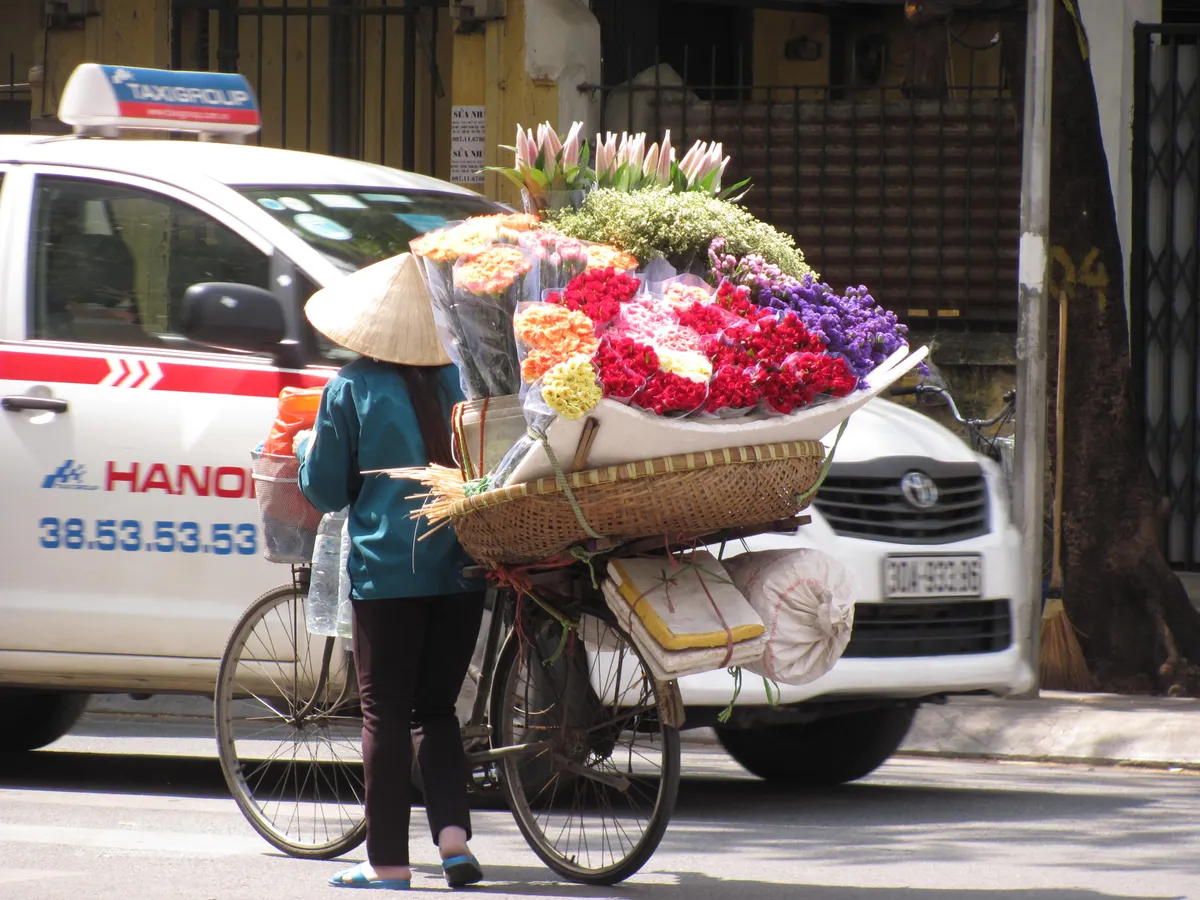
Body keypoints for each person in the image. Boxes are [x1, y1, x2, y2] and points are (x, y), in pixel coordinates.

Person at [295, 252, 485, 892]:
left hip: (386, 576)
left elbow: (324, 490)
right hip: (462, 571)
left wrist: (305, 451)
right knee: (436, 710)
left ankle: (387, 864)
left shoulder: (350, 387)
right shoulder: (464, 380)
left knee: (383, 713)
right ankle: (454, 845)